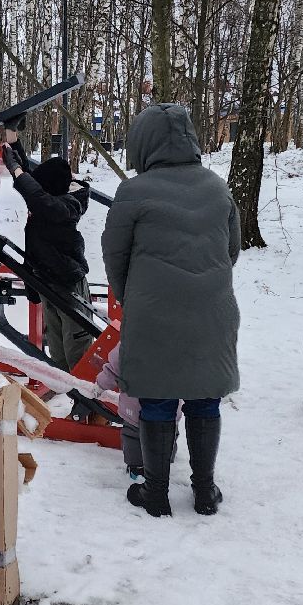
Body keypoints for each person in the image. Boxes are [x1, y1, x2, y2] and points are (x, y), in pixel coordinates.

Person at [101, 103, 240, 518]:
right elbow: (231, 248)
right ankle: (203, 492)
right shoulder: (217, 187)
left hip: (153, 313)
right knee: (204, 398)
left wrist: (135, 297)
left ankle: (156, 492)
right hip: (212, 312)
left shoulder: (133, 192)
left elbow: (114, 255)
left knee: (157, 398)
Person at [0, 130, 94, 374]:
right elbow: (36, 182)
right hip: (47, 283)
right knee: (58, 351)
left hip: (68, 282)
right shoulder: (53, 192)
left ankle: (91, 405)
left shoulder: (68, 204)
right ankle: (70, 395)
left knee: (78, 349)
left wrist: (16, 172)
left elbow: (38, 196)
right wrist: (14, 141)